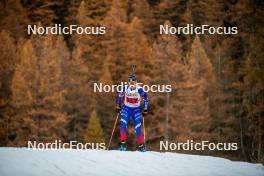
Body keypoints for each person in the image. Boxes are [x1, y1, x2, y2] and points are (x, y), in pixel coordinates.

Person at [116, 74, 149, 152]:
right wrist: (118, 105)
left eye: (133, 83)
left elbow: (146, 99)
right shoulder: (125, 87)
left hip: (136, 110)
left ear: (136, 82)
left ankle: (141, 146)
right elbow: (120, 96)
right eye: (130, 83)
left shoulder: (139, 89)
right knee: (123, 125)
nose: (132, 85)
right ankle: (123, 145)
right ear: (128, 83)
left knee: (138, 128)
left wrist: (145, 109)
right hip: (126, 108)